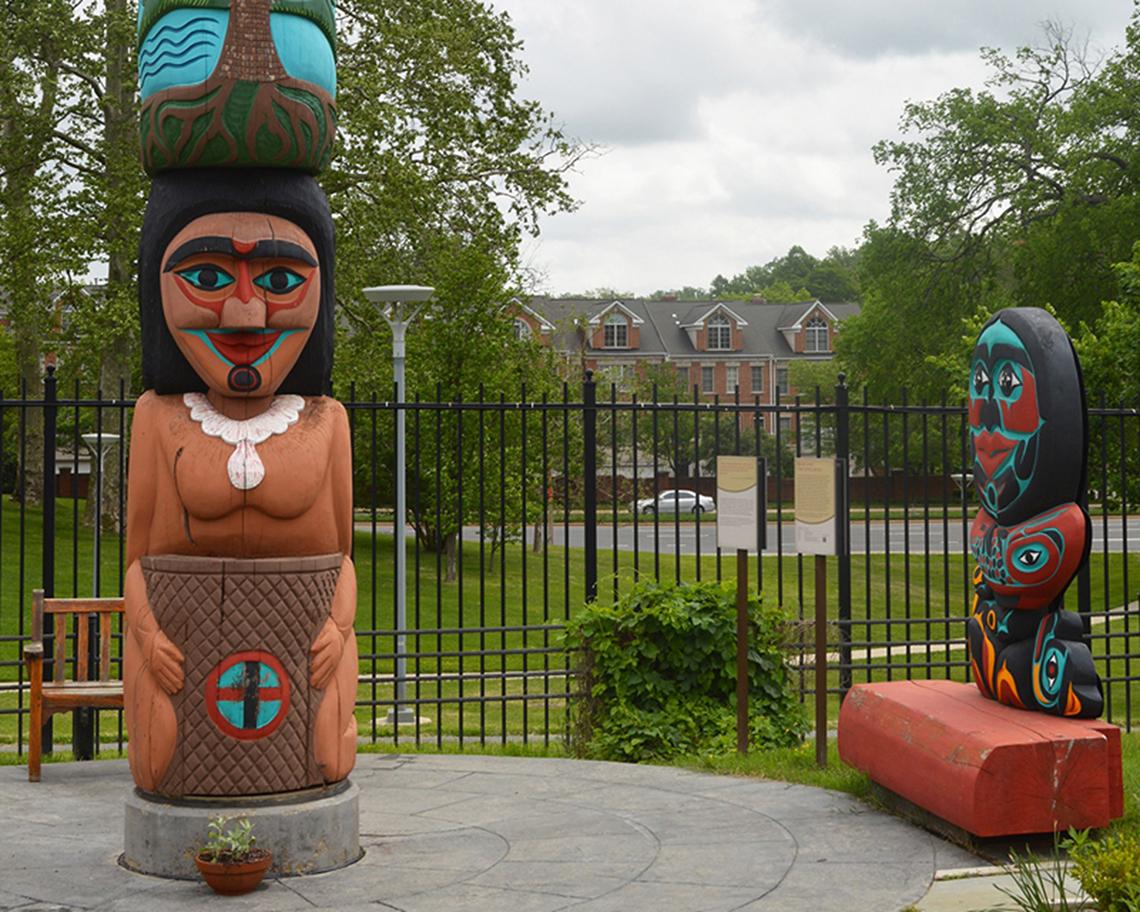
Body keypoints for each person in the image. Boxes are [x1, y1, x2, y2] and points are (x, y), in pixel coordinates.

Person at [124, 168, 357, 795]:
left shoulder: (326, 418)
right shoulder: (156, 416)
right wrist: (148, 636)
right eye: (206, 278)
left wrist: (336, 628)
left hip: (302, 636)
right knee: (160, 756)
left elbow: (344, 558)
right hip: (185, 640)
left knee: (325, 749)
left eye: (282, 280)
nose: (246, 312)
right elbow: (136, 560)